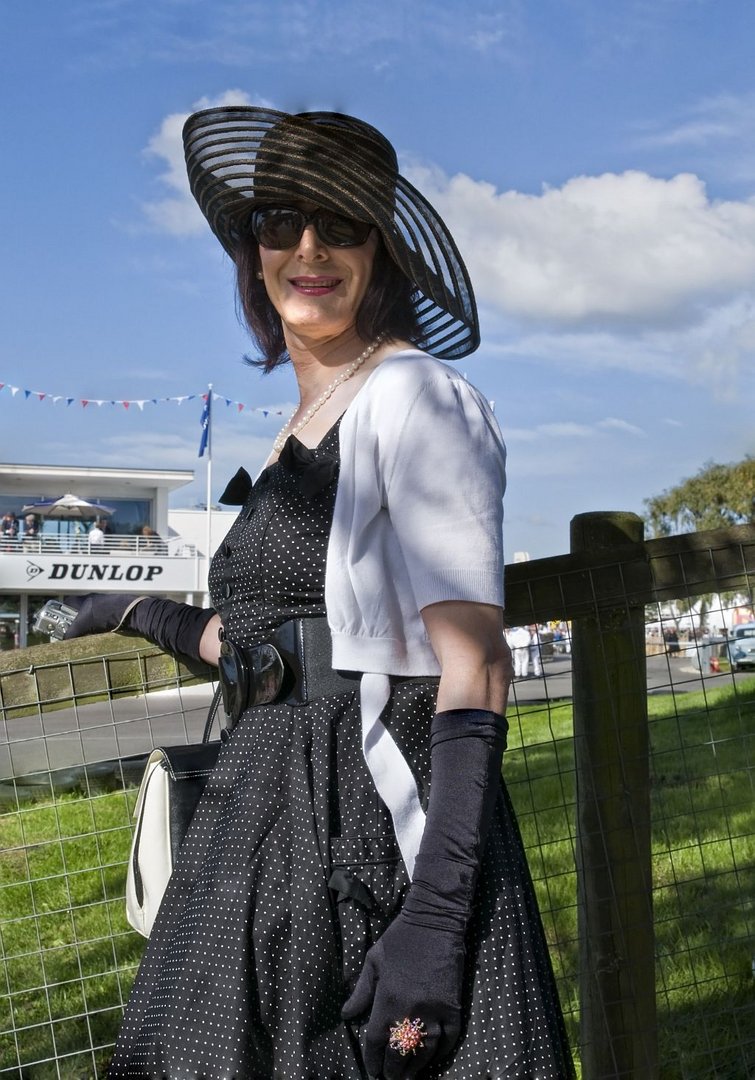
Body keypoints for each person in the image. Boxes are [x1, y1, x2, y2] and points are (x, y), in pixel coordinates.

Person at [64, 107, 574, 1079]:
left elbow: (474, 661)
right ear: (250, 251)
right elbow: (287, 640)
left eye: (339, 223)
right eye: (280, 222)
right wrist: (147, 614)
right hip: (259, 825)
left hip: (378, 837)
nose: (308, 248)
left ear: (381, 248)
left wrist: (435, 913)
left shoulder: (414, 397)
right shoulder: (297, 426)